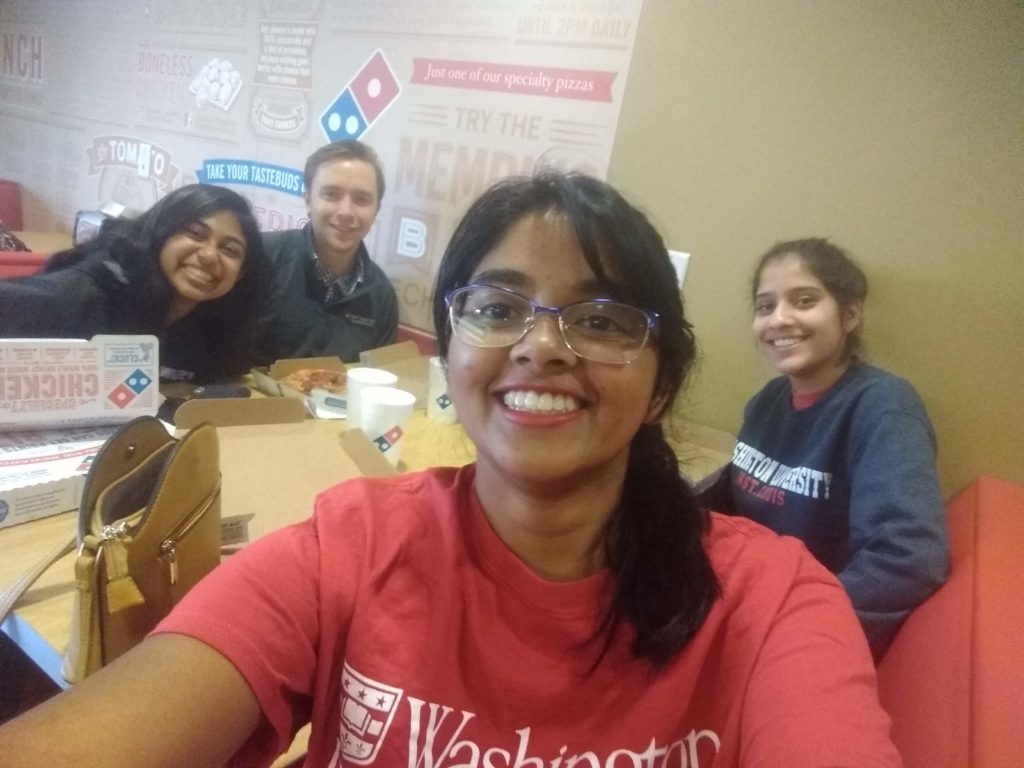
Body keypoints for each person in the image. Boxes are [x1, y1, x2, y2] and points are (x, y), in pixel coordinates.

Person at [0, 175, 901, 767]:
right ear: (453, 353)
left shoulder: (778, 603)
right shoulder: (344, 547)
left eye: (600, 320)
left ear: (662, 385)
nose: (542, 347)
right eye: (498, 307)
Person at [704, 237, 949, 658]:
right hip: (744, 594)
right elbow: (737, 496)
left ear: (850, 314)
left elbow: (908, 558)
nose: (779, 319)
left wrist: (784, 625)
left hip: (803, 634)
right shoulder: (767, 400)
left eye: (803, 300)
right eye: (765, 307)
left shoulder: (883, 408)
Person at [0, 184, 270, 382]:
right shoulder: (88, 294)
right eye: (195, 233)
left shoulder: (218, 326)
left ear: (242, 273)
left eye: (230, 250)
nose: (210, 256)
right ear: (160, 232)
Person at [257, 140, 398, 363]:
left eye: (361, 199)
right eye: (331, 195)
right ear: (308, 200)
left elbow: (375, 382)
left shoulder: (381, 295)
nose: (346, 211)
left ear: (376, 210)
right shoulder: (261, 259)